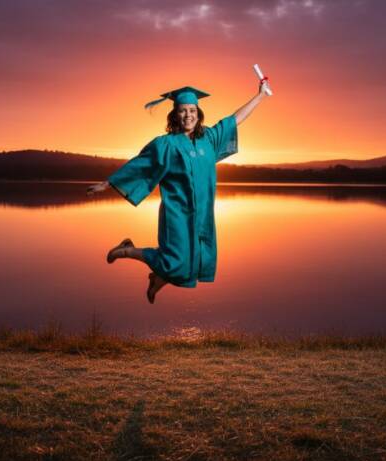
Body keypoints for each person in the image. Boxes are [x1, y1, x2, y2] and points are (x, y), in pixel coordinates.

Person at [87, 80, 270, 303]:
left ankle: (158, 280)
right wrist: (107, 183)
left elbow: (235, 119)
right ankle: (126, 251)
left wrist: (260, 95)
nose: (188, 115)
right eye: (183, 111)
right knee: (175, 261)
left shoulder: (209, 139)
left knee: (190, 263)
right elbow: (140, 164)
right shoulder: (166, 144)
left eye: (192, 111)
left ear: (198, 113)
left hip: (202, 214)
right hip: (177, 214)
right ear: (175, 115)